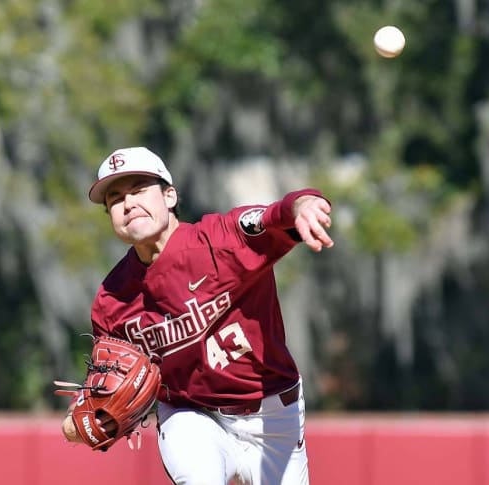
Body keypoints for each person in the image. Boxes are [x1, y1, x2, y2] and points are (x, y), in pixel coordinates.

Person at [62, 146, 334, 484]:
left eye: (138, 190)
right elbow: (105, 382)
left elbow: (276, 213)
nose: (128, 203)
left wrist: (303, 204)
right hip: (190, 415)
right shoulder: (112, 299)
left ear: (170, 196)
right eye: (115, 199)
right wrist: (82, 418)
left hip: (272, 416)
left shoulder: (221, 241)